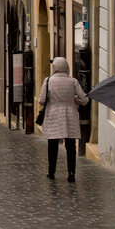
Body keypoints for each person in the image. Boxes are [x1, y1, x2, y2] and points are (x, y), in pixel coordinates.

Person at [38, 55, 89, 183]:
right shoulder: (73, 81)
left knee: (53, 145)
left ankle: (51, 172)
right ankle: (71, 173)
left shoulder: (48, 81)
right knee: (71, 146)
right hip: (69, 114)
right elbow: (84, 100)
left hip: (53, 115)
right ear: (66, 67)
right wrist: (74, 100)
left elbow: (41, 100)